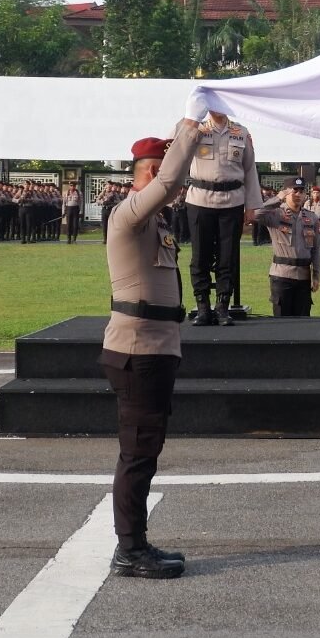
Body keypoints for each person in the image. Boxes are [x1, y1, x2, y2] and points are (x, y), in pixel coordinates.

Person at [103, 116, 202, 580]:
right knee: (138, 452)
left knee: (147, 449)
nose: (172, 183)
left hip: (157, 349)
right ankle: (130, 550)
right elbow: (172, 180)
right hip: (138, 350)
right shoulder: (128, 214)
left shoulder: (157, 223)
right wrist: (190, 130)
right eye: (158, 169)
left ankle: (136, 542)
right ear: (143, 174)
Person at [184, 110, 262, 328]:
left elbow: (250, 170)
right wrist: (191, 118)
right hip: (200, 199)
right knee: (200, 256)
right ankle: (202, 306)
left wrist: (252, 205)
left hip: (232, 201)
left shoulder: (241, 132)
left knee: (228, 257)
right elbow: (175, 148)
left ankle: (222, 307)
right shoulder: (195, 128)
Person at [255, 178, 320, 316]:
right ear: (286, 193)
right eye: (294, 191)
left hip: (304, 277)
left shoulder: (311, 218)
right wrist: (277, 199)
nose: (298, 194)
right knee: (282, 323)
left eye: (301, 191)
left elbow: (317, 249)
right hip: (282, 276)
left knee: (302, 322)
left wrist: (316, 275)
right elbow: (255, 214)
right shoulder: (275, 214)